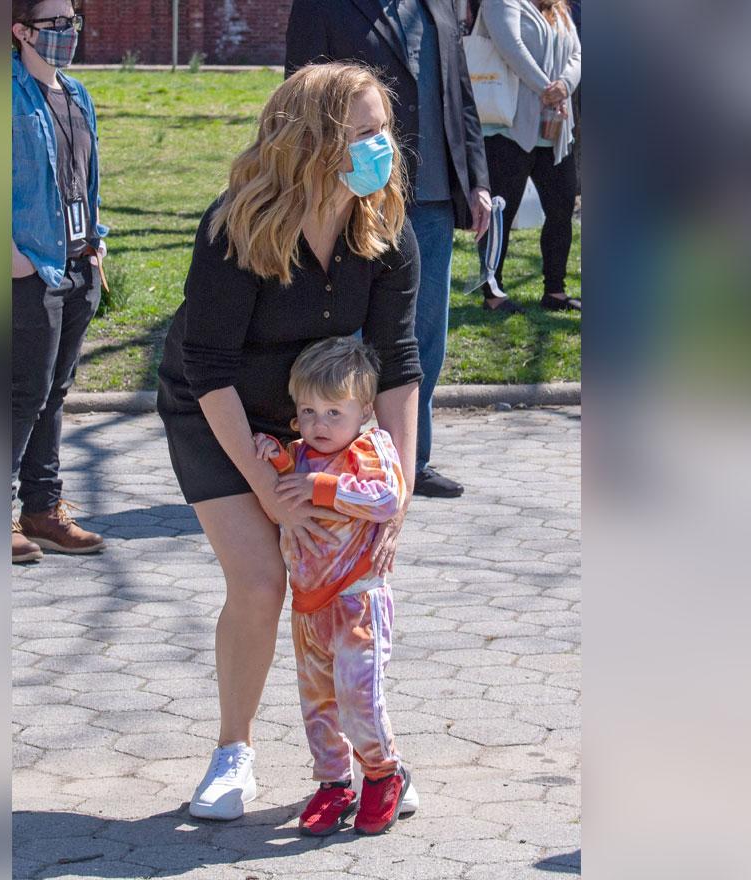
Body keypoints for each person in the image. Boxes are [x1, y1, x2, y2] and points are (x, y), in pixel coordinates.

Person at [154, 63, 422, 822]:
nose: (385, 149)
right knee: (264, 583)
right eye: (366, 133)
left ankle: (375, 765)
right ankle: (231, 754)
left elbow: (399, 363)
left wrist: (395, 485)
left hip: (322, 427)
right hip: (219, 414)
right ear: (315, 140)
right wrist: (266, 484)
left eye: (386, 132)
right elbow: (207, 368)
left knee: (346, 598)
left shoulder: (385, 229)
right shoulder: (237, 226)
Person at [286, 0, 494, 500]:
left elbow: (458, 93)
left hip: (434, 197)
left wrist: (478, 181)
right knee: (350, 335)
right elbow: (300, 100)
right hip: (355, 196)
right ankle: (336, 460)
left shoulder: (440, 5)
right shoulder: (322, 7)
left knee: (424, 335)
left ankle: (408, 462)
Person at [251, 336, 419, 836]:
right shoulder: (300, 454)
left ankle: (384, 773)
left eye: (332, 412)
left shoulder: (371, 448)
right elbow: (284, 485)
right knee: (318, 702)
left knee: (358, 696)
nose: (319, 425)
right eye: (307, 411)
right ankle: (332, 782)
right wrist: (276, 461)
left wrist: (322, 487)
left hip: (357, 600)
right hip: (308, 607)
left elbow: (388, 497)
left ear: (364, 411)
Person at [11, 0, 107, 562]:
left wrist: (97, 242)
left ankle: (43, 510)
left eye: (73, 23)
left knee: (55, 392)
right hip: (31, 269)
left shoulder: (76, 95)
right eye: (54, 25)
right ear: (20, 31)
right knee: (22, 393)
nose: (67, 34)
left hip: (77, 264)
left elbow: (87, 176)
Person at [475, 0, 582, 312]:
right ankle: (493, 292)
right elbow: (511, 47)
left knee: (561, 210)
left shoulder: (560, 7)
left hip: (556, 131)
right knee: (499, 216)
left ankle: (555, 291)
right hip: (509, 129)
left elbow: (577, 53)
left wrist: (564, 85)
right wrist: (547, 88)